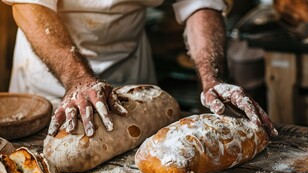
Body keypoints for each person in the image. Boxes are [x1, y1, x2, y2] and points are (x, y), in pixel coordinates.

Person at [3, 0, 277, 138]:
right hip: (50, 73)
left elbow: (200, 6)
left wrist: (212, 78)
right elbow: (30, 7)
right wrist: (78, 78)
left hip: (131, 68)